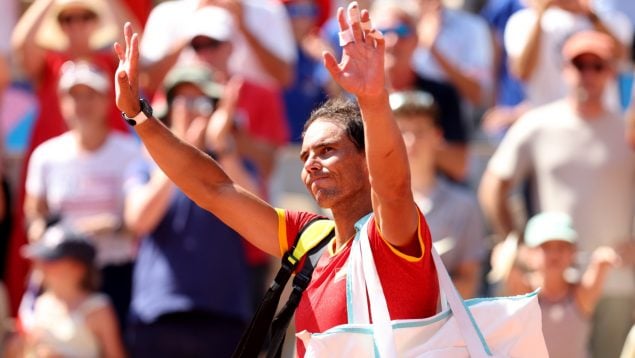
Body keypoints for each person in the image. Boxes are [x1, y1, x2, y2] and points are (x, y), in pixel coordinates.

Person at [113, 2, 440, 357]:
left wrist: (373, 99)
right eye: (305, 156)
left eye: (327, 150)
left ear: (366, 160)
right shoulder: (310, 239)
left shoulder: (392, 234)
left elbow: (392, 188)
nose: (312, 163)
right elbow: (214, 189)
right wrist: (139, 116)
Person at [479, 30, 635, 358]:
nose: (588, 74)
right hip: (554, 283)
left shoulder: (627, 130)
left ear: (611, 72)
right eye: (580, 65)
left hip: (619, 281)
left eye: (598, 65)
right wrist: (516, 245)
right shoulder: (538, 124)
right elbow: (494, 185)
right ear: (565, 69)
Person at [125, 65, 257, 357]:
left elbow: (262, 215)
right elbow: (138, 220)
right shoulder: (145, 163)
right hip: (158, 313)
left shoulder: (231, 162)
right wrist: (178, 152)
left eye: (201, 103)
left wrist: (222, 146)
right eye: (182, 102)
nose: (191, 111)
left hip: (223, 315)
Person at [24, 61, 140, 328]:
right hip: (62, 276)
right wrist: (46, 235)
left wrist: (105, 227)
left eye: (90, 95)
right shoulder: (46, 156)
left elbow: (138, 222)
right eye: (74, 96)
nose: (82, 104)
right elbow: (34, 215)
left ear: (106, 101)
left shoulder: (130, 154)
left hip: (115, 274)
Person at [391, 90, 487, 298]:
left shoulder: (464, 206)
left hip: (446, 324)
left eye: (420, 131)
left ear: (437, 136)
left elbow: (469, 280)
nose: (411, 141)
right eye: (402, 131)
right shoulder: (368, 204)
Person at [372, 0, 469, 181]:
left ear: (417, 40)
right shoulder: (360, 97)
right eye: (383, 32)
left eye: (402, 31)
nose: (393, 41)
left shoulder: (442, 94)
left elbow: (459, 165)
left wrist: (414, 141)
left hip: (436, 200)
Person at [507, 212, 621, 358]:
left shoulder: (580, 296)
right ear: (528, 254)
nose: (554, 254)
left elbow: (597, 271)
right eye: (546, 247)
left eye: (562, 246)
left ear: (573, 252)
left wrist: (601, 263)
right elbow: (507, 266)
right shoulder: (523, 294)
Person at [6, 226, 125, 358]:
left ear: (78, 268)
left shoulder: (98, 308)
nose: (42, 266)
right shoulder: (38, 304)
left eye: (52, 260)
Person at [504, 0, 632, 107]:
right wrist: (541, 14)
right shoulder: (523, 21)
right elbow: (521, 71)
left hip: (600, 124)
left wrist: (591, 15)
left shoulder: (611, 19)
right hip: (549, 122)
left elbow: (622, 58)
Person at [412, 0, 495, 107]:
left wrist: (433, 50)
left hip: (455, 118)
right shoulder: (394, 25)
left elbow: (478, 94)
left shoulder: (471, 27)